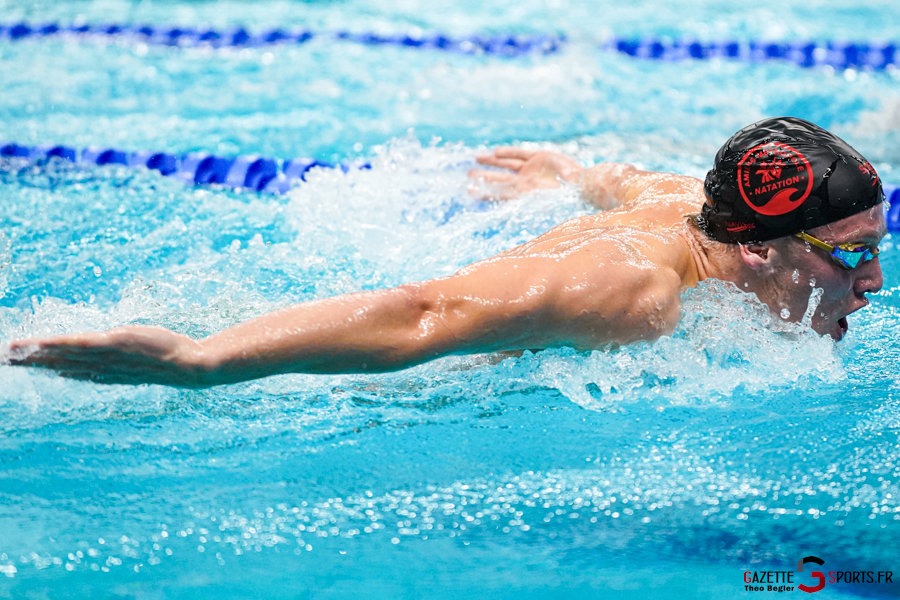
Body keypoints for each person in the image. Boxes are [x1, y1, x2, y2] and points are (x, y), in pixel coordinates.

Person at [3, 116, 886, 387]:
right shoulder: (631, 293)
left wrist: (564, 169)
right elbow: (433, 312)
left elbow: (632, 180)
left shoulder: (689, 210)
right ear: (762, 249)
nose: (874, 283)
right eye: (847, 256)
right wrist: (205, 359)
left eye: (880, 252)